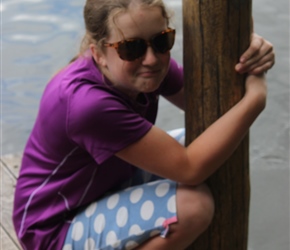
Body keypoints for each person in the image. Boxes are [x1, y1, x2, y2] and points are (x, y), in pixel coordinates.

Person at [13, 0, 275, 249]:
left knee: (211, 144)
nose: (151, 59)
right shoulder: (88, 105)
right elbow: (190, 168)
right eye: (131, 48)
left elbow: (214, 106)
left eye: (162, 41)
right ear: (99, 53)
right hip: (54, 230)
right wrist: (256, 97)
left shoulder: (139, 67)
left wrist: (249, 49)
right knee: (194, 207)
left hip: (101, 186)